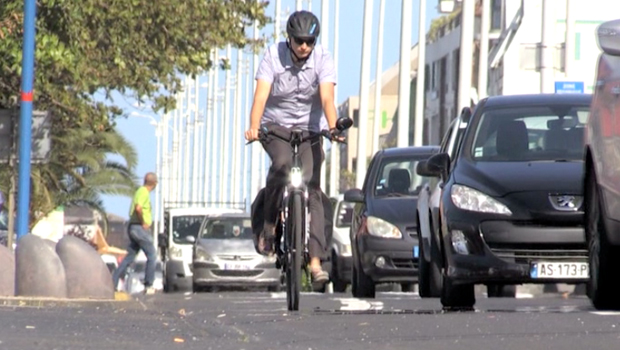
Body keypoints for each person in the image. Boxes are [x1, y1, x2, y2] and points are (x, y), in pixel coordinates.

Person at [244, 10, 340, 285]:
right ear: (289, 38)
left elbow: (327, 98)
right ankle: (270, 225)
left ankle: (315, 262)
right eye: (299, 41)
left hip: (311, 131)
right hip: (277, 128)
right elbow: (261, 96)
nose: (304, 47)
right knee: (281, 166)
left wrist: (333, 128)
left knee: (312, 187)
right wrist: (253, 126)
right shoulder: (273, 55)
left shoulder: (323, 58)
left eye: (309, 41)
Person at [112, 172, 158, 295]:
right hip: (139, 228)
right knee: (152, 255)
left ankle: (113, 282)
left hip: (133, 228)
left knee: (129, 257)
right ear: (154, 183)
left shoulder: (140, 191)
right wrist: (143, 222)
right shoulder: (143, 192)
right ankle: (149, 285)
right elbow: (138, 208)